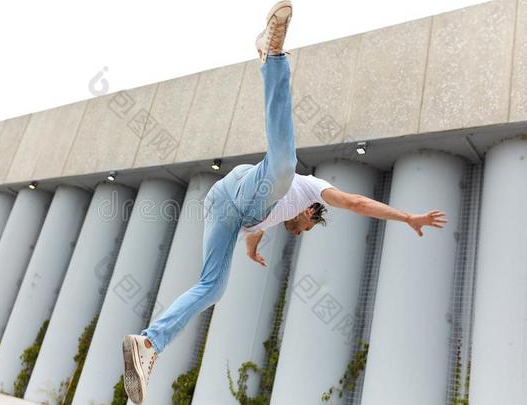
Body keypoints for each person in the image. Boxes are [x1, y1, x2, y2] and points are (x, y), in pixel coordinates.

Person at [122, 1, 447, 402]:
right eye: (306, 227)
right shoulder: (310, 190)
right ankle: (273, 54)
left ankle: (149, 344)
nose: (299, 230)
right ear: (310, 212)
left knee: (212, 288)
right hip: (243, 191)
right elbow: (357, 202)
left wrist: (253, 251)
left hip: (223, 210)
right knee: (283, 165)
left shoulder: (267, 223)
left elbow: (252, 236)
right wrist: (406, 216)